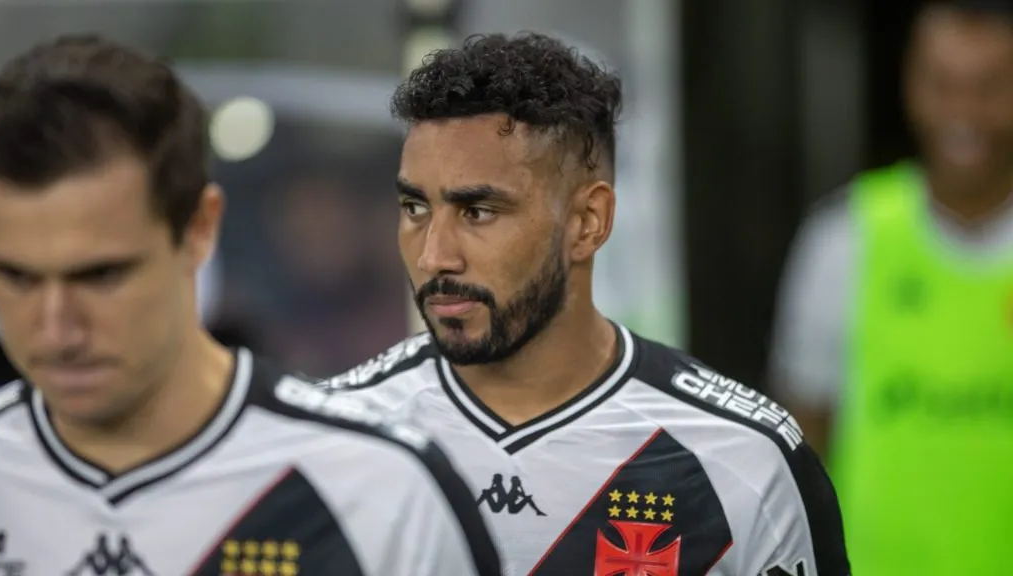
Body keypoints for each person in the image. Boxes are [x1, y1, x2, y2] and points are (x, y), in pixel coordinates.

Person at [320, 32, 849, 576]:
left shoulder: (743, 462)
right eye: (415, 207)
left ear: (587, 223)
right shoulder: (330, 440)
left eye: (477, 211)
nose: (434, 256)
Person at [0, 35, 500, 576]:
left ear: (200, 229)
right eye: (15, 276)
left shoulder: (381, 493)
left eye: (102, 276)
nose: (56, 331)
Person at [768, 1, 1013, 573]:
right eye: (943, 84)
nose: (964, 111)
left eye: (990, 86)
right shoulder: (844, 238)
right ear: (910, 83)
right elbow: (799, 452)